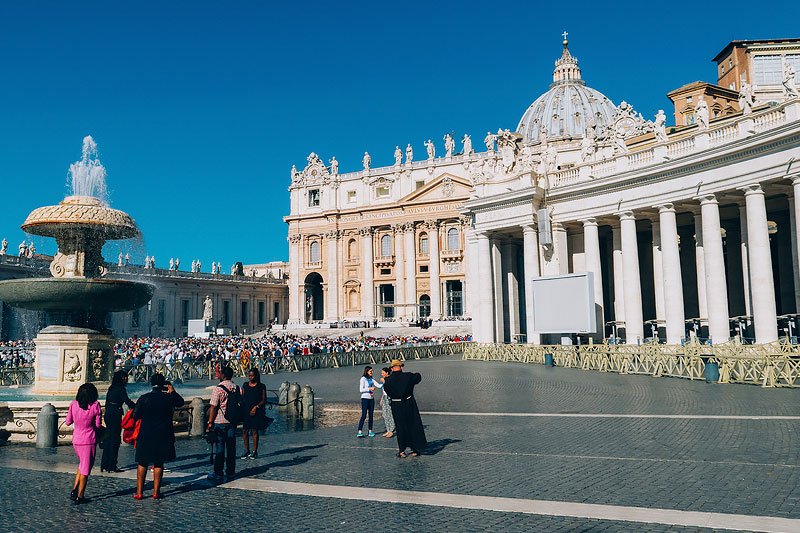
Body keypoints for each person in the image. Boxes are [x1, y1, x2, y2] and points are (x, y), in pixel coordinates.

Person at [132, 373, 184, 500]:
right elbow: (180, 402)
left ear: (151, 384)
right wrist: (173, 391)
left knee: (142, 462)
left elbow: (135, 415)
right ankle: (156, 492)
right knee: (159, 463)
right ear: (164, 384)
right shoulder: (168, 398)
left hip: (146, 433)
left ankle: (139, 492)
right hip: (163, 434)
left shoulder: (144, 398)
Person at [65, 383, 103, 504]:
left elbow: (67, 422)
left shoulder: (73, 404)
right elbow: (97, 425)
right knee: (86, 469)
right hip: (88, 440)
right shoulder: (95, 406)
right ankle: (80, 496)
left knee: (82, 465)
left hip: (76, 440)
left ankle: (74, 489)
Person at [383, 359, 427, 457]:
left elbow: (388, 392)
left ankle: (401, 451)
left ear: (391, 368)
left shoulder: (388, 380)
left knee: (400, 427)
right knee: (412, 424)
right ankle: (415, 449)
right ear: (401, 366)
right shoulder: (408, 376)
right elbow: (418, 377)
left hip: (396, 405)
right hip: (408, 403)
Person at [207, 366, 238, 481]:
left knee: (219, 448)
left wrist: (210, 422)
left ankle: (218, 472)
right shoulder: (237, 387)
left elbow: (213, 407)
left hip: (220, 421)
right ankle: (230, 471)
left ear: (223, 375)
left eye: (219, 373)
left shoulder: (218, 389)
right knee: (231, 448)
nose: (218, 375)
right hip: (232, 421)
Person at [101, 370, 135, 472]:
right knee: (115, 440)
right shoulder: (121, 389)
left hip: (109, 413)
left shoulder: (111, 388)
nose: (126, 379)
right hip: (115, 413)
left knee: (108, 438)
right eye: (124, 377)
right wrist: (137, 406)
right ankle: (112, 465)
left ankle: (104, 463)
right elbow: (127, 401)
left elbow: (107, 402)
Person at [241, 367, 268, 459]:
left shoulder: (261, 386)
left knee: (254, 431)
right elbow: (242, 397)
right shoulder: (245, 385)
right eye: (249, 376)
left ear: (256, 376)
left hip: (256, 410)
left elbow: (264, 400)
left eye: (252, 376)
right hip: (246, 410)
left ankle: (255, 451)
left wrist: (257, 407)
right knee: (245, 430)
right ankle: (246, 450)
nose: (250, 377)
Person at [356, 366, 377, 438]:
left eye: (372, 371)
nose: (372, 372)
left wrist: (385, 382)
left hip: (371, 398)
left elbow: (378, 385)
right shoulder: (363, 379)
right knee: (364, 415)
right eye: (370, 371)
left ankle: (370, 431)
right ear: (367, 371)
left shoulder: (372, 378)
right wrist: (369, 388)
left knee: (371, 415)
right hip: (365, 398)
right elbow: (361, 390)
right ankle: (360, 431)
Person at [376, 367, 395, 438]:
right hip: (384, 397)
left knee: (390, 414)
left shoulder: (390, 379)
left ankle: (391, 430)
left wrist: (384, 381)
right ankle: (388, 429)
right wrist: (381, 399)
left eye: (383, 373)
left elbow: (390, 386)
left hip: (389, 397)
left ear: (387, 373)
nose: (382, 374)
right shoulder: (385, 380)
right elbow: (383, 390)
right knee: (385, 414)